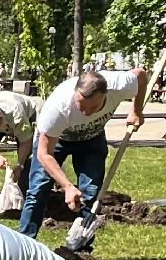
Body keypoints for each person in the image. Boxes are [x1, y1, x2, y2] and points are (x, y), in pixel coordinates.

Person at [18, 66, 148, 241]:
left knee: (91, 193)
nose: (86, 112)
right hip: (56, 142)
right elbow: (44, 154)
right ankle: (26, 243)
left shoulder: (118, 85)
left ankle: (81, 247)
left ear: (106, 94)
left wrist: (136, 111)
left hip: (92, 140)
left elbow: (140, 75)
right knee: (38, 189)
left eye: (93, 107)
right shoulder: (58, 108)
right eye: (81, 105)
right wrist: (67, 186)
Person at [0, 89, 38, 203]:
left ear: (0, 118)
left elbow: (26, 141)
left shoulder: (16, 114)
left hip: (28, 113)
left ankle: (23, 190)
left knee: (28, 156)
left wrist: (20, 165)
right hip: (2, 118)